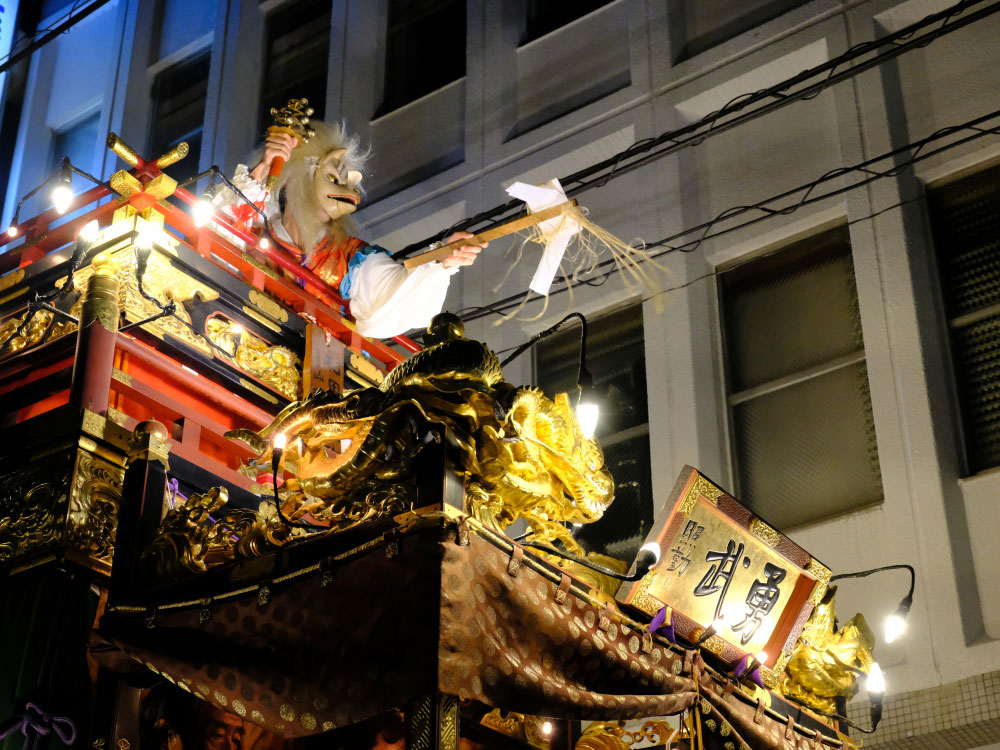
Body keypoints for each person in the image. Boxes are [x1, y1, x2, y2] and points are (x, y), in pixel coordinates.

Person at [212, 122, 485, 339]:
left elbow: (390, 294)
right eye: (333, 178)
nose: (350, 193)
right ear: (297, 178)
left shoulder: (349, 255)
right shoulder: (253, 230)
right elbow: (214, 232)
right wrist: (264, 167)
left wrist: (441, 261)